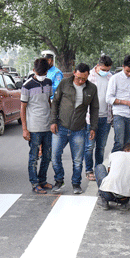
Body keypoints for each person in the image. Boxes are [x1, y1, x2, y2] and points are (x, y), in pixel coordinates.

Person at [49, 62, 98, 195]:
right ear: (74, 73)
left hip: (79, 129)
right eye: (79, 78)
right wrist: (53, 121)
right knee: (54, 156)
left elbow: (94, 109)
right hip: (61, 127)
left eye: (84, 79)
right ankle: (59, 180)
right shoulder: (64, 83)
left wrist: (93, 127)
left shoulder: (92, 88)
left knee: (77, 160)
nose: (81, 81)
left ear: (88, 76)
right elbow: (55, 103)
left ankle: (76, 183)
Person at [20, 58, 53, 194]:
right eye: (39, 72)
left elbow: (49, 103)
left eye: (44, 72)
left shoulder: (48, 82)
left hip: (47, 126)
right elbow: (23, 108)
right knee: (33, 157)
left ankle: (42, 180)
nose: (41, 75)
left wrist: (53, 121)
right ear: (34, 71)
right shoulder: (26, 86)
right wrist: (24, 129)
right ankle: (34, 183)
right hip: (34, 128)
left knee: (47, 156)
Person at [84, 55, 114, 182]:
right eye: (103, 69)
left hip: (105, 117)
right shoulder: (89, 76)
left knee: (101, 146)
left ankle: (99, 169)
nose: (105, 72)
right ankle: (89, 170)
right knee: (90, 146)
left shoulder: (111, 77)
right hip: (90, 118)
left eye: (107, 70)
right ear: (98, 66)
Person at [106, 54, 130, 153]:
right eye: (128, 71)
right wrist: (125, 102)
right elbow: (109, 98)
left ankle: (125, 165)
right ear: (123, 66)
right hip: (119, 114)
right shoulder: (115, 78)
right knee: (119, 142)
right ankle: (113, 165)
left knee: (128, 144)